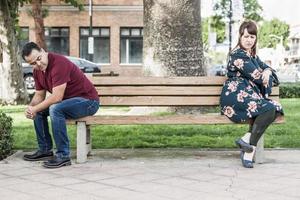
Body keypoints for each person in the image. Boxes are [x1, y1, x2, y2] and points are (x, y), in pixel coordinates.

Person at [21, 42, 100, 168]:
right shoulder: (37, 71)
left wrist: (35, 108)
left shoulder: (59, 63)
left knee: (55, 108)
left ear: (42, 51)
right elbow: (39, 96)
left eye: (39, 59)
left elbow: (57, 97)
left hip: (88, 102)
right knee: (39, 111)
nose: (38, 64)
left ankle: (63, 156)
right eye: (33, 63)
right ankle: (45, 150)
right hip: (68, 102)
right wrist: (31, 108)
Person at [220, 21, 284, 168]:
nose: (249, 40)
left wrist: (267, 71)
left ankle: (246, 142)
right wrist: (265, 73)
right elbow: (258, 77)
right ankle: (249, 151)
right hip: (235, 96)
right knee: (269, 108)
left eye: (252, 37)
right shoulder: (238, 55)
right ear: (240, 37)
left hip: (248, 94)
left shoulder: (253, 56)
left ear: (255, 39)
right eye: (246, 36)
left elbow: (269, 71)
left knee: (276, 108)